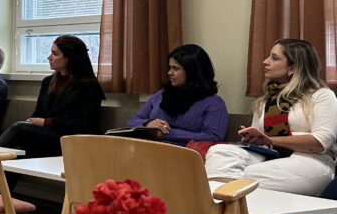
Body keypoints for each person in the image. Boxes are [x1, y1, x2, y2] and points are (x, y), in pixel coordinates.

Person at [205, 39, 337, 203]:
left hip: (310, 161)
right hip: (270, 155)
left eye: (274, 58)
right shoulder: (268, 98)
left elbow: (320, 142)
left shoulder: (321, 95)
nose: (265, 62)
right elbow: (259, 138)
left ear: (293, 67)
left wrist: (270, 139)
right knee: (219, 152)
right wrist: (253, 139)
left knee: (237, 176)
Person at [0, 35, 105, 158]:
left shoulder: (89, 86)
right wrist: (32, 122)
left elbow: (85, 125)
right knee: (18, 150)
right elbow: (38, 113)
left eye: (55, 54)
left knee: (18, 128)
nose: (49, 57)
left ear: (69, 58)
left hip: (72, 138)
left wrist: (48, 122)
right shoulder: (48, 81)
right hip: (48, 135)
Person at [125, 43, 228, 146]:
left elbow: (213, 137)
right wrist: (148, 124)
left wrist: (164, 133)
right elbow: (133, 121)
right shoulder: (161, 94)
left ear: (192, 71)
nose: (169, 72)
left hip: (183, 154)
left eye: (175, 68)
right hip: (147, 148)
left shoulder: (214, 103)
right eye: (170, 67)